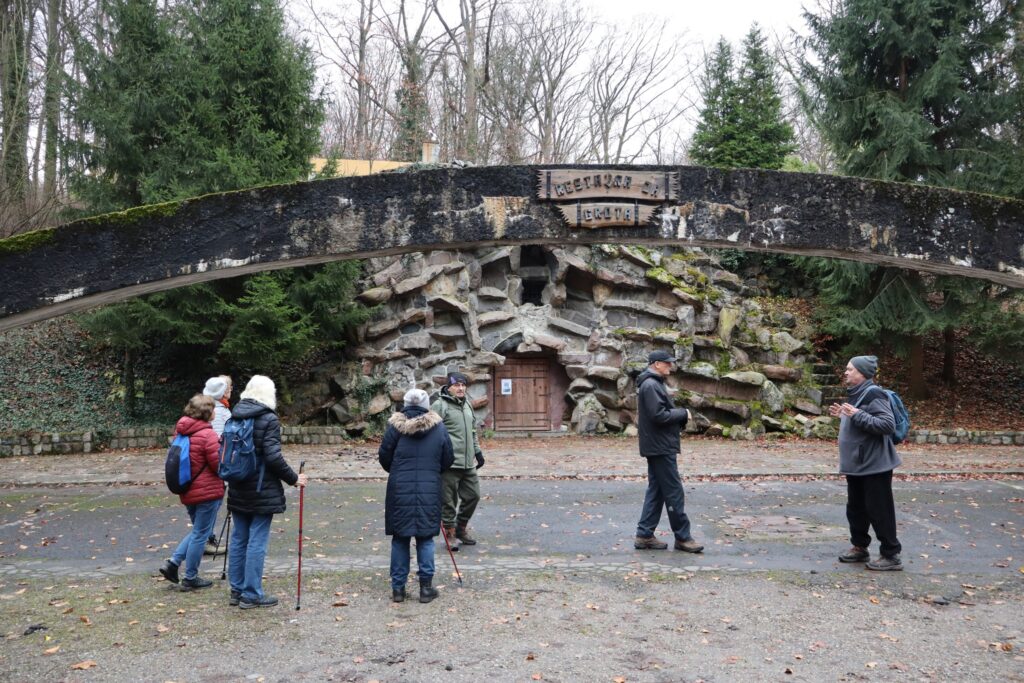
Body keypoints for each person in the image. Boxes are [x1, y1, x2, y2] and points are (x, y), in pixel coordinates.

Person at [226, 375, 308, 608]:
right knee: (256, 541)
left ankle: (237, 589)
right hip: (261, 488)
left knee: (239, 538)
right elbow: (273, 456)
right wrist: (294, 479)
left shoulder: (235, 415)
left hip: (238, 484)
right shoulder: (268, 418)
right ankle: (251, 594)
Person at [379, 388, 454, 603]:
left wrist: (398, 472)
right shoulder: (438, 428)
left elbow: (384, 456)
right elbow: (448, 458)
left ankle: (398, 589)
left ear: (405, 404)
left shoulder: (394, 427)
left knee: (400, 538)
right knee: (425, 538)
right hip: (429, 489)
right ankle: (426, 588)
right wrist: (432, 471)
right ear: (426, 405)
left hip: (399, 490)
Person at [828, 355, 903, 571]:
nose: (846, 372)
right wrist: (843, 415)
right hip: (858, 465)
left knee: (880, 510)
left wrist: (857, 414)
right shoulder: (856, 394)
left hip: (874, 464)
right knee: (856, 509)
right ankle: (860, 547)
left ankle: (891, 554)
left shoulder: (874, 393)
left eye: (850, 369)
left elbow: (886, 424)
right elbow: (860, 421)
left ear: (862, 373)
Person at [634, 350, 704, 553]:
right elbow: (659, 415)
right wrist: (683, 413)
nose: (670, 366)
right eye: (667, 363)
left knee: (656, 491)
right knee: (673, 492)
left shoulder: (651, 383)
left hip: (657, 445)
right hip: (660, 446)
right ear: (656, 364)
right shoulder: (651, 385)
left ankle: (644, 534)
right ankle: (683, 537)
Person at [159, 394, 225, 590]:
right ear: (207, 413)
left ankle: (172, 563)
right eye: (213, 409)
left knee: (198, 530)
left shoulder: (181, 432)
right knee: (201, 535)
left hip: (187, 489)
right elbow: (218, 465)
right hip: (207, 492)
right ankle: (190, 576)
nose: (215, 412)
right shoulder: (208, 435)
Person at [431, 372, 485, 546]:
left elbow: (472, 431)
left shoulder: (467, 404)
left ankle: (461, 527)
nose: (461, 388)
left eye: (463, 385)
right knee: (448, 502)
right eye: (457, 385)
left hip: (468, 462)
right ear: (449, 387)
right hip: (448, 464)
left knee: (473, 496)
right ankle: (450, 533)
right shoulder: (440, 405)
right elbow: (431, 434)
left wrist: (477, 452)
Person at [201, 375, 233, 556]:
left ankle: (207, 536)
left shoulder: (210, 408)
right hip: (215, 466)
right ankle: (206, 539)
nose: (230, 390)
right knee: (213, 503)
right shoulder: (219, 411)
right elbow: (220, 441)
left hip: (209, 465)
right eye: (228, 387)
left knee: (211, 504)